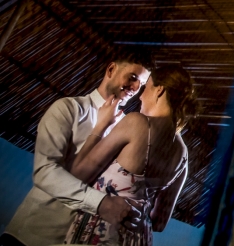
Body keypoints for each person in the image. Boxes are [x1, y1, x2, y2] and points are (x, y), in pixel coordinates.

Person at [1, 52, 152, 246]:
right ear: (111, 69)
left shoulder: (126, 130)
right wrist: (101, 203)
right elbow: (44, 171)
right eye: (133, 78)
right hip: (31, 235)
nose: (135, 89)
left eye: (141, 85)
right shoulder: (68, 109)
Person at [64, 66, 195, 245]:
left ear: (159, 90)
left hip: (101, 234)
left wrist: (100, 126)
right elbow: (159, 223)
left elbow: (77, 176)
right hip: (138, 239)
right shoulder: (183, 153)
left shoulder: (136, 123)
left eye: (145, 88)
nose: (140, 96)